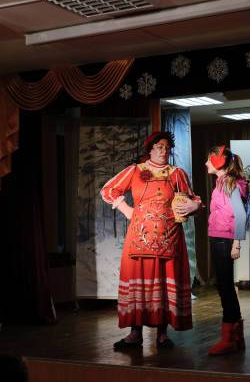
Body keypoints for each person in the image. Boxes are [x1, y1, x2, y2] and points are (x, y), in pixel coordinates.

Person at [100, 131, 202, 349]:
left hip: (168, 238)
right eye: (159, 147)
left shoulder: (177, 174)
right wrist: (127, 209)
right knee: (139, 283)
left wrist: (194, 206)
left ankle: (162, 334)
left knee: (164, 283)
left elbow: (192, 199)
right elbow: (108, 190)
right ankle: (135, 333)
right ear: (150, 149)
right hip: (140, 238)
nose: (164, 151)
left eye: (167, 147)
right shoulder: (135, 171)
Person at [205, 145, 247, 355]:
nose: (206, 164)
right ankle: (236, 334)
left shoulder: (229, 183)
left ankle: (228, 338)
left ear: (217, 162)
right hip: (218, 237)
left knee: (225, 287)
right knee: (225, 287)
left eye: (208, 160)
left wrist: (236, 243)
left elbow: (240, 215)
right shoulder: (221, 182)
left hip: (224, 240)